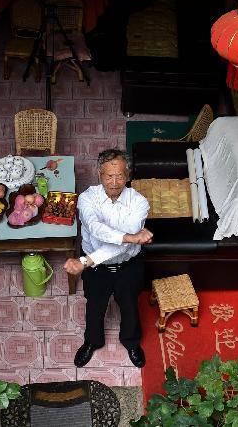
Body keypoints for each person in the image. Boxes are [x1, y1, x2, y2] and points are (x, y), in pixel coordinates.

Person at [64, 149, 153, 369]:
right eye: (108, 176)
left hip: (128, 265)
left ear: (128, 175)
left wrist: (84, 262)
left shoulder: (140, 203)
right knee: (94, 306)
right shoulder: (86, 198)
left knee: (130, 306)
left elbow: (121, 247)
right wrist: (131, 238)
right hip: (97, 269)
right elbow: (96, 229)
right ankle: (92, 341)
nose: (114, 182)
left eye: (120, 176)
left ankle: (131, 342)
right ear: (99, 174)